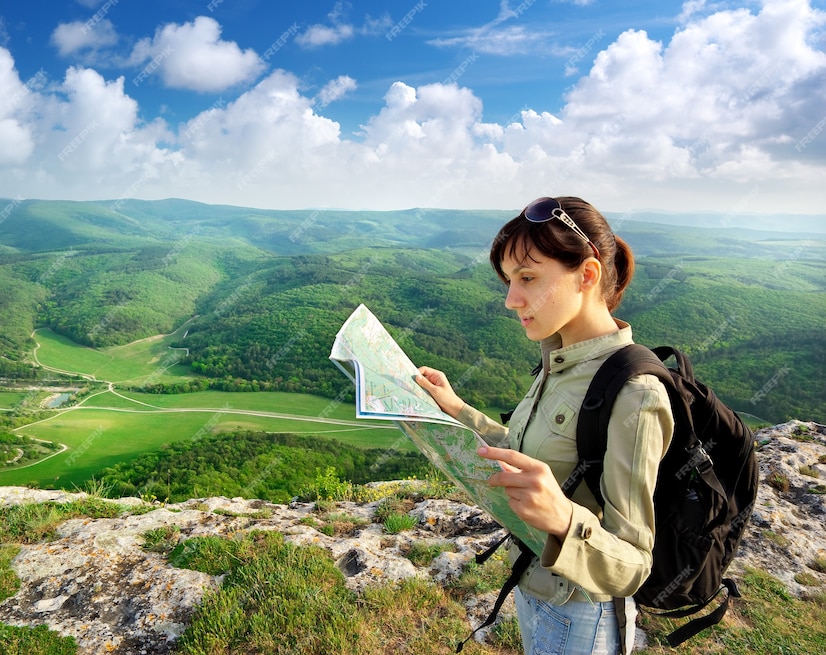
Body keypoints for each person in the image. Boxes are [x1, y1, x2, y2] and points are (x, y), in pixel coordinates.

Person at [416, 196, 674, 655]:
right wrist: (454, 408)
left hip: (583, 615)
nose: (511, 299)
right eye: (510, 280)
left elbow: (634, 565)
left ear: (587, 275)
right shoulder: (559, 362)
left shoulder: (634, 393)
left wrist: (562, 518)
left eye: (528, 278)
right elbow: (525, 451)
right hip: (533, 585)